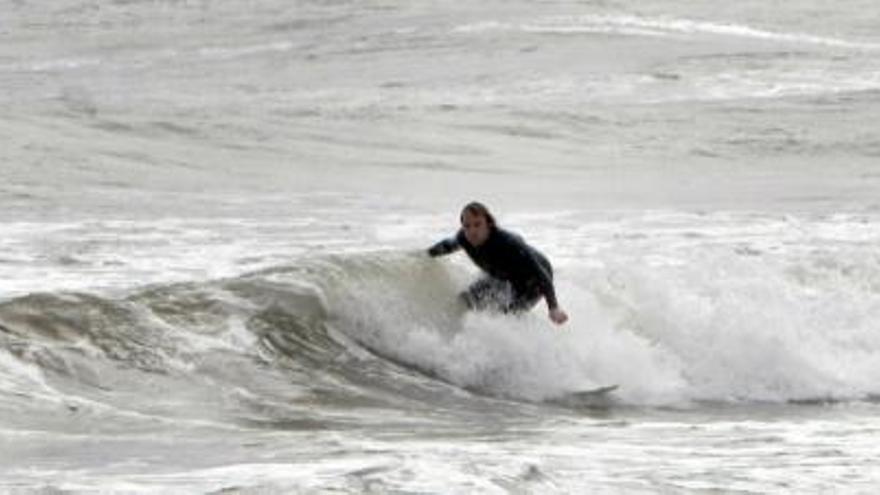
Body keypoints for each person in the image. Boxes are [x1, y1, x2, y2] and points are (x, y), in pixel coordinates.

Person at [427, 201, 569, 325]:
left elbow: (540, 274)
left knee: (506, 316)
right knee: (465, 300)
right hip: (502, 274)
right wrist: (425, 255)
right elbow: (448, 245)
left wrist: (553, 308)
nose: (472, 231)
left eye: (477, 224)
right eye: (467, 226)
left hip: (532, 280)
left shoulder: (507, 243)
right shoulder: (464, 238)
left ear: (489, 224)